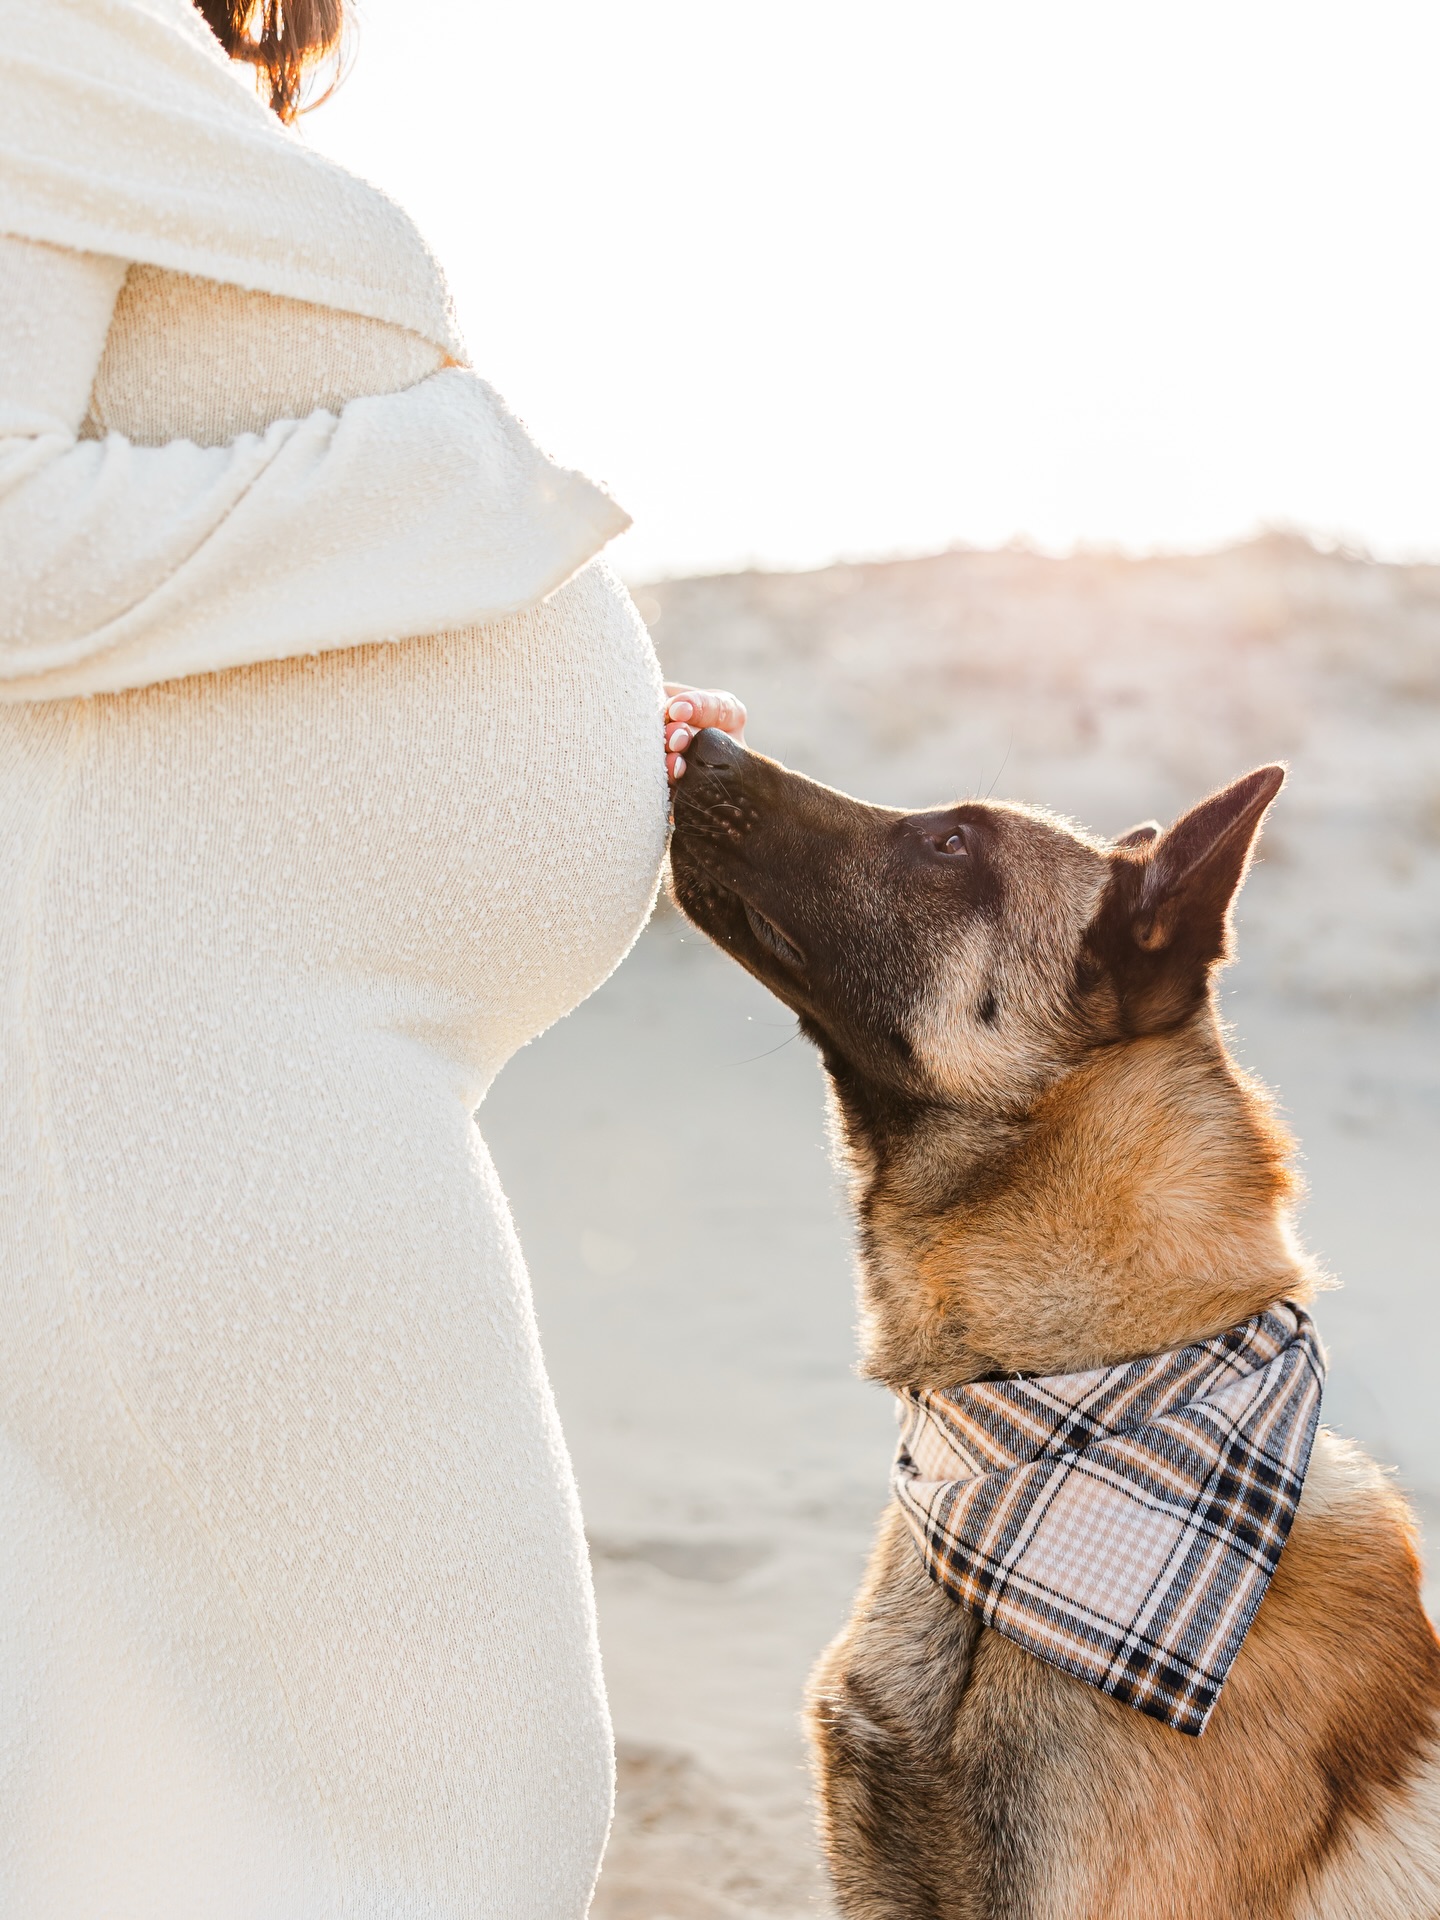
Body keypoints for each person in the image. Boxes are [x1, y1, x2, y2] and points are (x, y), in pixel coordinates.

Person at [0, 1, 743, 1912]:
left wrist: (559, 694)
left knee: (193, 1781)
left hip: (239, 1036)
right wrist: (458, 500)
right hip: (181, 1050)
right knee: (459, 1797)